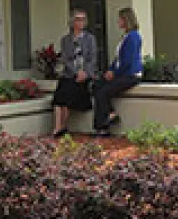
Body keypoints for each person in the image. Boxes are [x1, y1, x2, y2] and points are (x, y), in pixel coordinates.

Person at [93, 7, 142, 136]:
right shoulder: (125, 37)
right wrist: (110, 70)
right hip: (121, 73)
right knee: (97, 85)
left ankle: (101, 128)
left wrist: (114, 74)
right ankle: (110, 114)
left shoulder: (133, 37)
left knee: (103, 93)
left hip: (130, 75)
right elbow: (118, 59)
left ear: (126, 20)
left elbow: (127, 62)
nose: (118, 21)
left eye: (120, 19)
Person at [51, 9, 97, 138]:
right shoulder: (66, 40)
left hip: (85, 76)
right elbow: (66, 59)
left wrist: (85, 73)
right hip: (70, 74)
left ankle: (63, 126)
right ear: (72, 22)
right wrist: (76, 72)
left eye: (83, 19)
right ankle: (58, 127)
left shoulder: (90, 39)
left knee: (69, 94)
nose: (80, 22)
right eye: (78, 19)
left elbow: (92, 59)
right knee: (60, 96)